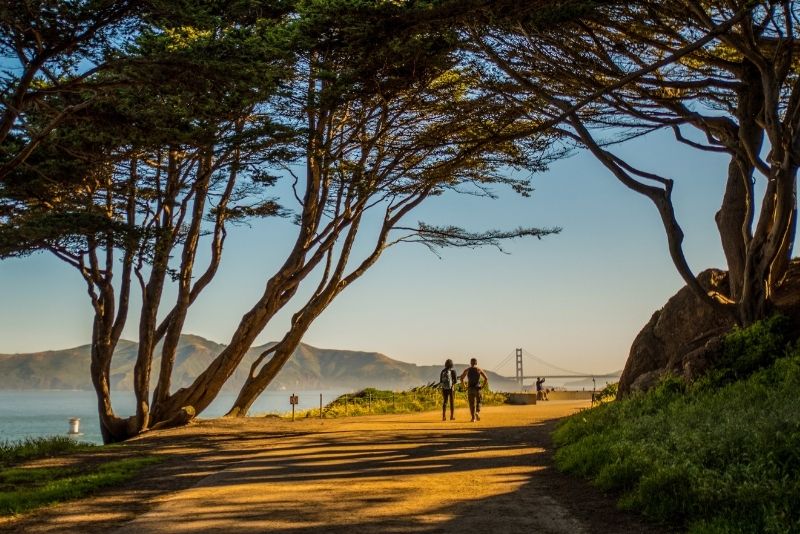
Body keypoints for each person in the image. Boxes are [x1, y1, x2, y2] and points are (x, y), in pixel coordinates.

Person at [460, 358, 489, 422]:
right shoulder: (479, 369)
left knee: (471, 404)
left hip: (470, 388)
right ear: (476, 363)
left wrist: (464, 386)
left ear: (470, 363)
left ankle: (473, 418)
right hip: (477, 388)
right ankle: (477, 412)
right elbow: (486, 378)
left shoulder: (467, 370)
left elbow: (461, 378)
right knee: (479, 401)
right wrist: (482, 386)